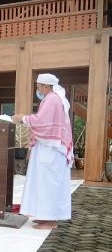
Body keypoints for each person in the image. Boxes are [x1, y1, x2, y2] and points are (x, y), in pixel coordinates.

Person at [12, 73, 73, 230]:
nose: (37, 90)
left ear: (46, 86)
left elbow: (41, 122)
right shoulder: (53, 98)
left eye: (38, 87)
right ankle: (44, 216)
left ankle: (50, 220)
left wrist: (23, 118)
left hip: (51, 149)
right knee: (42, 182)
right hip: (48, 148)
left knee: (48, 183)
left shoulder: (52, 99)